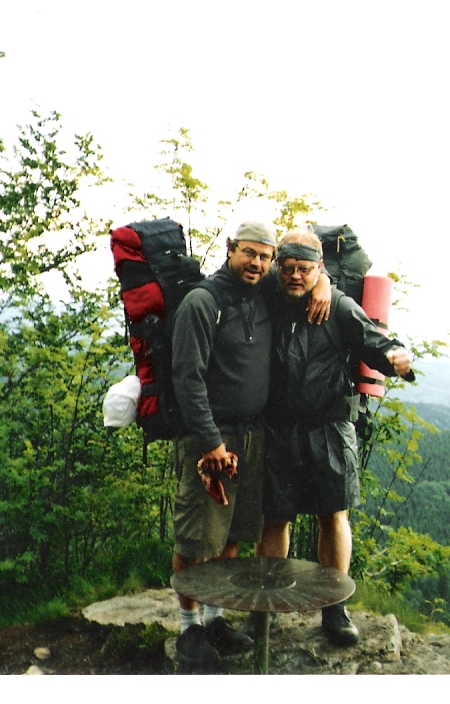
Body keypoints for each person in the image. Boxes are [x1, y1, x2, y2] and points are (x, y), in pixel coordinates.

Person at [169, 221, 330, 664]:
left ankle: (216, 619)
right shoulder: (203, 302)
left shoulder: (265, 296)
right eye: (249, 253)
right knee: (197, 537)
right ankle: (188, 627)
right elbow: (187, 378)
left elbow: (308, 275)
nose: (257, 263)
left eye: (264, 256)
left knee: (234, 535)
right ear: (231, 249)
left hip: (253, 437)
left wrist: (324, 284)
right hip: (211, 438)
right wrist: (210, 443)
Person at [257, 228, 414, 646]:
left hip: (329, 426)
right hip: (279, 428)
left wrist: (395, 356)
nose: (295, 276)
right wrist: (321, 282)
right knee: (275, 517)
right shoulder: (269, 295)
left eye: (305, 269)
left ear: (319, 267)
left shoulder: (339, 306)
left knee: (333, 515)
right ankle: (266, 606)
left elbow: (374, 341)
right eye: (288, 268)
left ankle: (335, 607)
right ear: (278, 266)